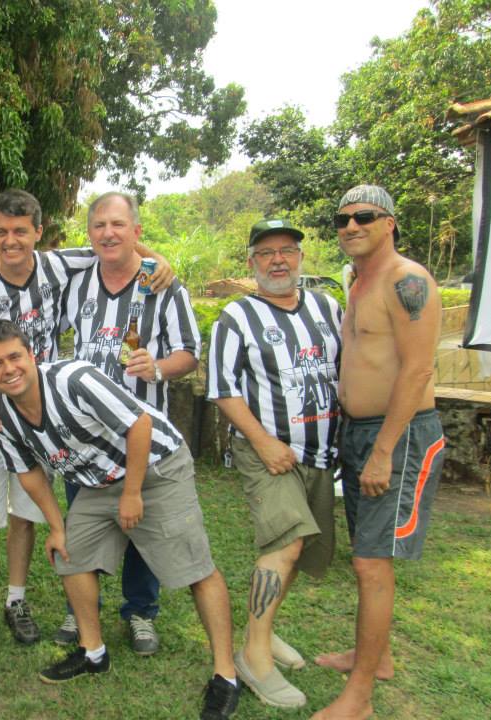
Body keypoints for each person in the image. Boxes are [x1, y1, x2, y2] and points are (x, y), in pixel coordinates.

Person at [0, 188, 172, 671]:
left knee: (28, 510)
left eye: (20, 231)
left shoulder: (57, 264)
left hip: (43, 411)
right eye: (1, 232)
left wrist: (159, 260)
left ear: (38, 232)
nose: (11, 241)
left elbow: (114, 243)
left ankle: (16, 599)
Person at [0, 320, 239, 720]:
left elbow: (140, 425)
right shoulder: (1, 414)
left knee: (195, 568)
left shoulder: (74, 379)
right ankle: (93, 652)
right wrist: (57, 527)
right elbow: (28, 472)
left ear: (32, 355)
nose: (8, 369)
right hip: (97, 482)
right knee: (69, 552)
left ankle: (226, 675)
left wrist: (132, 494)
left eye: (14, 357)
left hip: (155, 466)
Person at [312, 185, 444, 720]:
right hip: (359, 432)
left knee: (371, 563)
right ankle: (377, 657)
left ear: (389, 223)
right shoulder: (358, 280)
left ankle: (360, 696)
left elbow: (417, 370)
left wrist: (384, 450)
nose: (350, 226)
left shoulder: (407, 280)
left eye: (363, 216)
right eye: (342, 219)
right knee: (366, 553)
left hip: (399, 434)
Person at [58, 191, 200, 654]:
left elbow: (189, 354)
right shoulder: (76, 282)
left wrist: (157, 367)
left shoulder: (162, 286)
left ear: (136, 231)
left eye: (118, 224)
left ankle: (141, 610)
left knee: (143, 526)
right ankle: (80, 608)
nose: (108, 233)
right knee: (83, 523)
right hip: (87, 436)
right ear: (89, 233)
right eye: (99, 225)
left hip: (143, 431)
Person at [208, 218, 342, 709]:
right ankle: (254, 658)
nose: (278, 260)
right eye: (266, 253)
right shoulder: (237, 317)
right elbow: (222, 389)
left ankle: (259, 634)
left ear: (301, 258)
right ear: (252, 262)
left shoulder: (328, 308)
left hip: (320, 452)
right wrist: (264, 442)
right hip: (268, 451)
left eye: (287, 250)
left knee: (300, 548)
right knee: (286, 544)